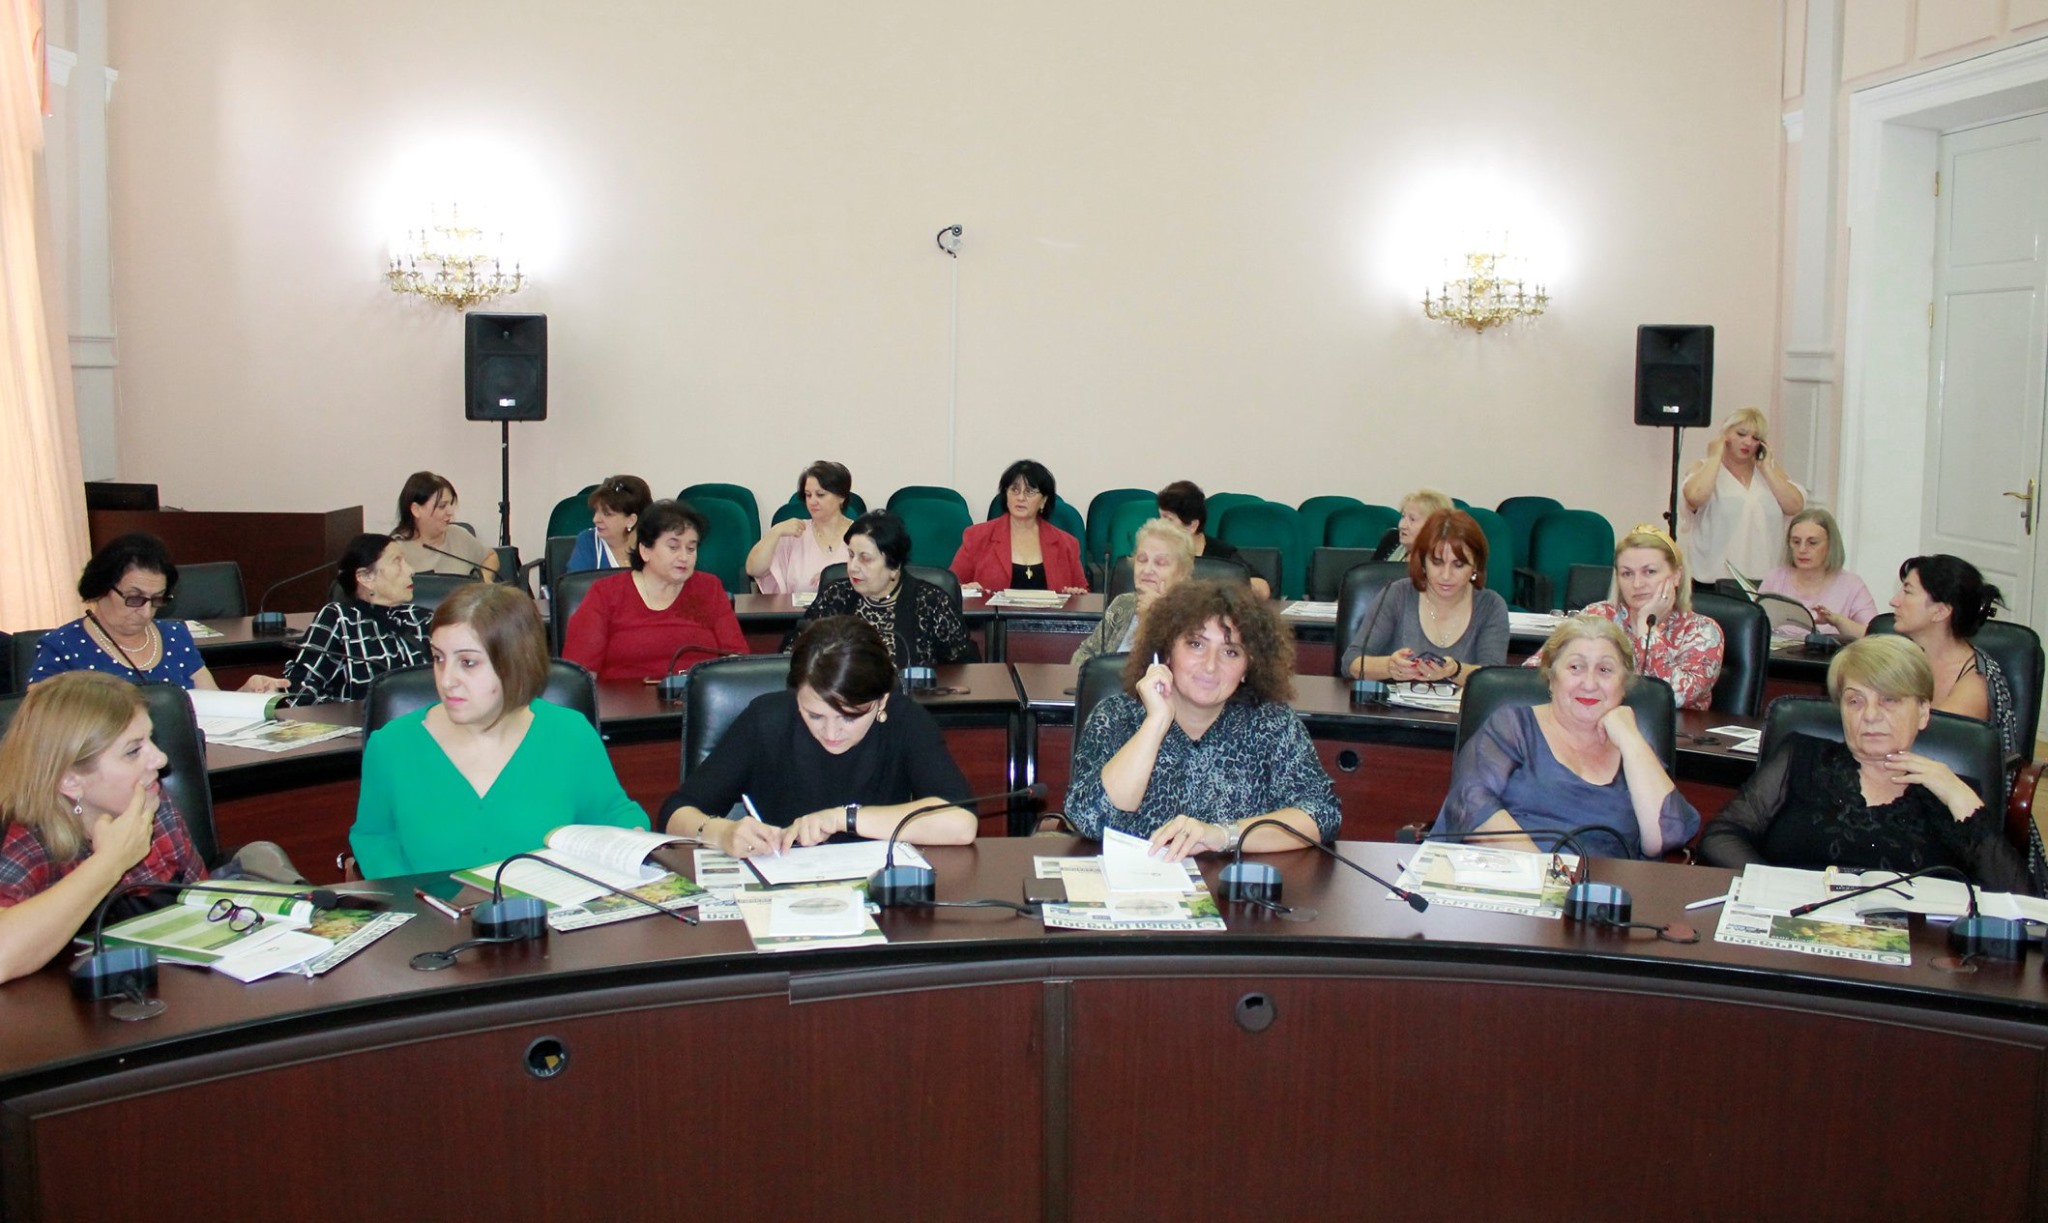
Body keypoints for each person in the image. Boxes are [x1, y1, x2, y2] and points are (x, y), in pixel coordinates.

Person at [350, 584, 646, 877]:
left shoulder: (570, 734)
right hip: (428, 907)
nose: (446, 680)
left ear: (515, 663)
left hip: (546, 905)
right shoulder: (392, 746)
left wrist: (633, 838)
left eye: (468, 663)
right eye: (439, 658)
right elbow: (374, 840)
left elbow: (614, 815)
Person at [1698, 635, 2028, 891]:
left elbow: (2021, 897)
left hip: (1909, 952)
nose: (1870, 715)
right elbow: (1720, 836)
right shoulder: (1800, 757)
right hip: (1795, 930)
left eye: (1889, 700)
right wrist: (1777, 888)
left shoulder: (1950, 792)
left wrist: (1959, 797)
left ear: (1923, 713)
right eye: (1855, 701)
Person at [1065, 581, 1340, 862]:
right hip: (1134, 884)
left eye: (1230, 652)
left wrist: (1223, 835)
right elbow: (1091, 818)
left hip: (1233, 886)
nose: (1210, 665)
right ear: (1167, 652)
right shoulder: (1116, 717)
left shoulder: (1272, 724)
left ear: (1247, 667)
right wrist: (1155, 723)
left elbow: (1321, 814)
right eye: (1196, 645)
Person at [660, 617, 975, 857]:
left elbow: (961, 823)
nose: (831, 732)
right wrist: (721, 832)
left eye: (850, 716)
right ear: (796, 696)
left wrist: (844, 818)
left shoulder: (904, 720)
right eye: (814, 715)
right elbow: (675, 811)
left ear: (881, 701)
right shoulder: (766, 721)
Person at [1433, 616, 1699, 859]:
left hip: (1603, 891)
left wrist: (1630, 739)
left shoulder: (1634, 748)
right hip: (1515, 879)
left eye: (1605, 670)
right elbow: (1470, 802)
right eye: (1575, 667)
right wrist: (1548, 874)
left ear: (1624, 684)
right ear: (1551, 677)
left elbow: (1665, 837)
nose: (1590, 683)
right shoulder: (1513, 727)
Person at [0, 672, 206, 983]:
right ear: (70, 780)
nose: (161, 759)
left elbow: (205, 905)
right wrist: (110, 862)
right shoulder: (25, 836)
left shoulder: (152, 804)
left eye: (151, 739)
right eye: (133, 751)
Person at [28, 533, 289, 693]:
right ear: (101, 588)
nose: (145, 612)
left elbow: (212, 705)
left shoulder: (175, 636)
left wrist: (248, 694)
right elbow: (41, 729)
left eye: (156, 600)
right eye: (134, 598)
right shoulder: (62, 647)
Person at [562, 499, 749, 682]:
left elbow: (736, 659)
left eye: (691, 548)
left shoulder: (709, 588)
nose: (684, 557)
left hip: (697, 699)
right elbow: (579, 676)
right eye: (673, 547)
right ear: (645, 551)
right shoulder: (605, 593)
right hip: (625, 701)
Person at [1540, 525, 1724, 710]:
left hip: (1673, 727)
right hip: (1594, 722)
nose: (1637, 584)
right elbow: (1537, 671)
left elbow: (1675, 696)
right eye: (1627, 574)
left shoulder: (1702, 631)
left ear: (1676, 576)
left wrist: (1646, 627)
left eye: (1649, 572)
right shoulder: (1599, 616)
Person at [782, 511, 977, 668]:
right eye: (851, 555)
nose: (853, 567)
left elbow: (962, 665)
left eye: (865, 558)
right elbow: (794, 650)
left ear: (894, 567)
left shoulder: (931, 603)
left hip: (909, 701)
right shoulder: (836, 596)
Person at [1342, 509, 1509, 688]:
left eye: (1459, 565)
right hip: (1395, 706)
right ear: (1422, 562)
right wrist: (1389, 666)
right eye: (1436, 562)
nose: (1446, 575)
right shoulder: (1398, 594)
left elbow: (1493, 679)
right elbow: (1350, 663)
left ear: (1475, 566)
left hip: (1463, 707)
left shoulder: (1491, 606)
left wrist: (1456, 671)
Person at [1886, 554, 2019, 757]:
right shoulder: (1902, 655)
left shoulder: (1975, 681)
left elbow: (1930, 743)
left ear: (1940, 612)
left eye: (1908, 592)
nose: (1894, 601)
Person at [280, 534, 433, 706]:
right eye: (397, 561)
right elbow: (299, 690)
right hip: (359, 721)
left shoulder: (423, 619)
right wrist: (350, 714)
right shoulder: (340, 619)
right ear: (365, 577)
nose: (410, 570)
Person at [1679, 406, 1804, 585]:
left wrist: (1766, 469)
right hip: (1713, 581)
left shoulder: (1770, 471)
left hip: (1764, 580)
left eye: (1756, 438)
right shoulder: (1704, 468)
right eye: (1741, 434)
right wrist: (1715, 457)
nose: (1748, 442)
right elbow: (1695, 497)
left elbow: (1795, 506)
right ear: (1725, 435)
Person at [951, 459, 1088, 593]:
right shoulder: (977, 537)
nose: (1021, 498)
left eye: (1029, 492)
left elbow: (1083, 593)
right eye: (1014, 490)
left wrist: (1076, 594)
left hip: (1050, 610)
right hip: (993, 610)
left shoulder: (1067, 544)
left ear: (1044, 500)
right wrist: (967, 590)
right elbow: (951, 586)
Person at [1072, 518, 1195, 665]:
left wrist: (1155, 616)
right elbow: (1086, 652)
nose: (1147, 570)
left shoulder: (1191, 617)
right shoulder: (1123, 603)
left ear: (1182, 573)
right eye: (1142, 560)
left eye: (1160, 563)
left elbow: (1171, 669)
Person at [1756, 508, 1876, 640]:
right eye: (1796, 542)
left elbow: (1875, 636)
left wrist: (1837, 621)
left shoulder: (1852, 585)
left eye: (1812, 543)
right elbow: (1755, 625)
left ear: (1831, 545)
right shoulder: (1774, 578)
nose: (1802, 549)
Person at [746, 460, 854, 595]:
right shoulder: (794, 532)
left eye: (820, 494)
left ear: (841, 497)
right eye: (808, 495)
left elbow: (874, 579)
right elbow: (753, 569)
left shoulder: (860, 533)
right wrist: (775, 532)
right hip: (797, 609)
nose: (812, 501)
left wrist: (834, 577)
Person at [1154, 480, 1271, 599]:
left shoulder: (1222, 553)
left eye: (1168, 519)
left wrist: (1223, 583)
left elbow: (1263, 589)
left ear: (1192, 526)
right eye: (1160, 517)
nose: (1161, 525)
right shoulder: (1156, 550)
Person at [391, 471, 499, 579]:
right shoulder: (395, 548)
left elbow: (491, 556)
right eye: (442, 506)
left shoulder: (459, 536)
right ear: (416, 510)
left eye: (451, 504)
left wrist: (484, 580)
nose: (450, 512)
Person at [564, 475, 654, 574]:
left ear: (631, 520)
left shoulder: (653, 544)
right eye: (596, 511)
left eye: (607, 514)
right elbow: (576, 583)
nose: (595, 519)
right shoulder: (588, 541)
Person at [1371, 488, 1456, 564]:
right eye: (1403, 516)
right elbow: (1371, 572)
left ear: (1434, 525)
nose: (1402, 525)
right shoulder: (1392, 540)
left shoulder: (1443, 560)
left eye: (1412, 519)